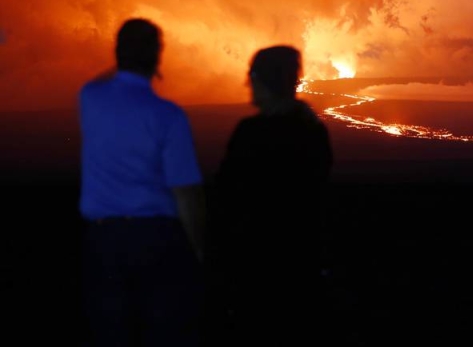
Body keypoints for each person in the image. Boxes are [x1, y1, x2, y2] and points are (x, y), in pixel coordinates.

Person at [78, 18, 207, 346]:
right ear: (157, 56)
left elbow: (102, 81)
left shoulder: (90, 99)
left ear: (118, 53)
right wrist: (200, 250)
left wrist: (127, 63)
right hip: (155, 240)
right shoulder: (168, 115)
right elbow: (186, 192)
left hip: (102, 240)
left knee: (111, 332)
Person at [207, 45, 333, 346]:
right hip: (302, 264)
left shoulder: (251, 134)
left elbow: (227, 196)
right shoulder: (314, 132)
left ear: (263, 80)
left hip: (256, 268)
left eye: (251, 76)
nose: (247, 84)